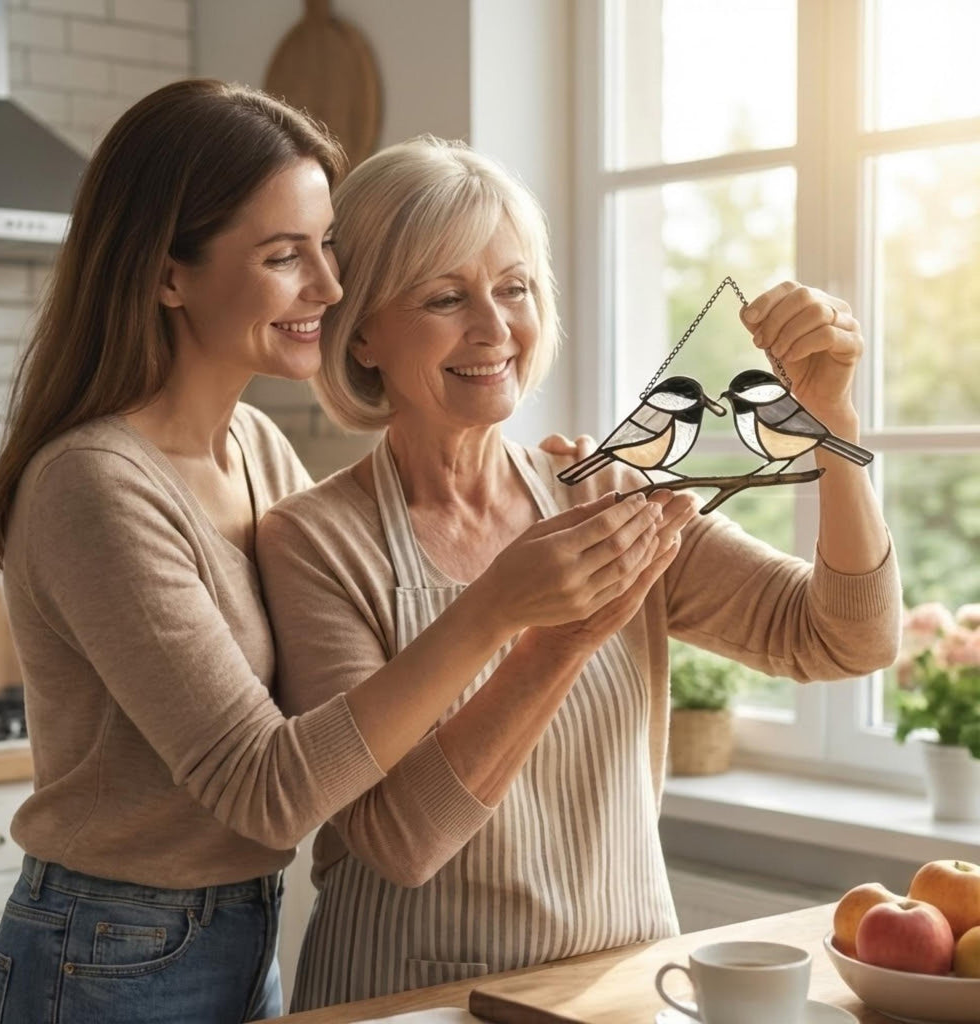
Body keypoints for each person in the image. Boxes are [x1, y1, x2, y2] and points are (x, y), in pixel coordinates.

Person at [0, 83, 675, 1024]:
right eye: (282, 257)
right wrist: (499, 609)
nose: (330, 290)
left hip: (234, 933)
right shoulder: (95, 485)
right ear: (168, 274)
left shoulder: (254, 447)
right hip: (106, 953)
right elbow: (265, 791)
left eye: (326, 249)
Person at [256, 136, 903, 1011]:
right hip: (410, 1000)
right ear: (361, 332)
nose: (494, 329)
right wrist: (554, 641)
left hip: (623, 991)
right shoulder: (314, 541)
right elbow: (400, 841)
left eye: (514, 288)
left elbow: (846, 639)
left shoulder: (608, 491)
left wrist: (830, 424)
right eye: (446, 297)